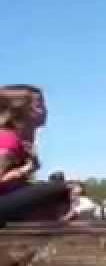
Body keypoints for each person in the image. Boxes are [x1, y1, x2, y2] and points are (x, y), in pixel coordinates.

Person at [0, 86, 70, 223]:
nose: (46, 110)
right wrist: (28, 168)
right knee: (64, 188)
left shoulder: (18, 140)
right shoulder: (8, 139)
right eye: (40, 105)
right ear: (22, 109)